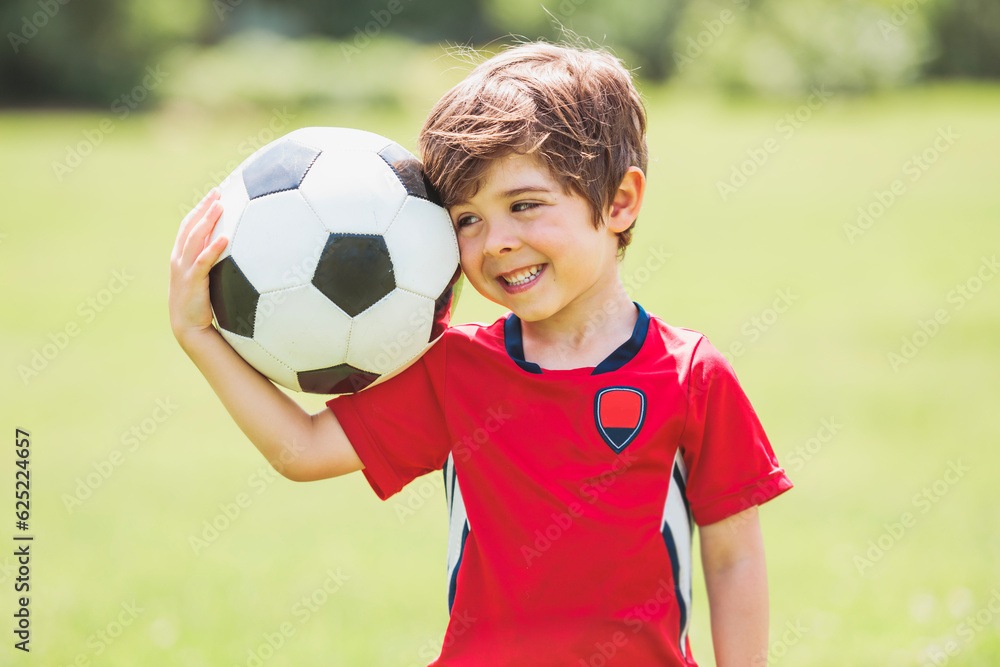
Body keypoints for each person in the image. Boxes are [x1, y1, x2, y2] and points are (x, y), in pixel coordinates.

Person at [168, 40, 792, 667]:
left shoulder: (691, 376)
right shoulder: (454, 369)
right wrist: (199, 336)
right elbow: (301, 449)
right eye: (468, 219)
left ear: (620, 202)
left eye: (524, 205)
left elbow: (734, 556)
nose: (496, 243)